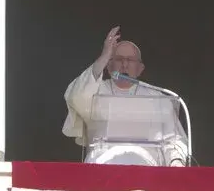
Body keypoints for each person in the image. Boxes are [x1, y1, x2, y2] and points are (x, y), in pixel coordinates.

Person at [62, 26, 187, 166]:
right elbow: (75, 97)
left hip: (148, 168)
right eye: (119, 59)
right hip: (102, 164)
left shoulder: (157, 98)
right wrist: (104, 56)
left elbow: (174, 140)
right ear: (108, 67)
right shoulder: (95, 91)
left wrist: (176, 162)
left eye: (130, 60)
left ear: (140, 69)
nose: (124, 64)